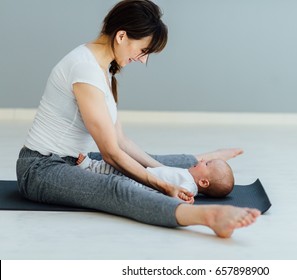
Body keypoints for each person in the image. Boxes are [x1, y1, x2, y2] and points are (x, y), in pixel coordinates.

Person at [16, 0, 260, 238]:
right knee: (117, 187)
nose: (143, 59)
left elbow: (121, 141)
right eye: (143, 50)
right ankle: (206, 217)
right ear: (121, 36)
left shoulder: (104, 71)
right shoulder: (84, 69)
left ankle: (202, 159)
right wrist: (162, 185)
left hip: (72, 160)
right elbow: (111, 153)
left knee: (150, 161)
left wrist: (159, 171)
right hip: (40, 170)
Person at [77, 154, 234, 199]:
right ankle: (90, 165)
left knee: (113, 174)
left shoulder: (189, 185)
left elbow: (181, 194)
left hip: (142, 185)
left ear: (204, 182)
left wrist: (183, 199)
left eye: (207, 164)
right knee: (118, 167)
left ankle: (88, 166)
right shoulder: (187, 174)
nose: (203, 161)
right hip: (145, 174)